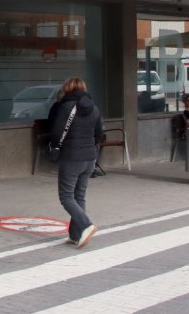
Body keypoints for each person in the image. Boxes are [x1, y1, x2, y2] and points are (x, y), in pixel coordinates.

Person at [46, 77, 105, 248]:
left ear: (67, 89)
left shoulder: (66, 107)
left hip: (71, 157)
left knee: (66, 196)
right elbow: (99, 134)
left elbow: (57, 133)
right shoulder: (94, 108)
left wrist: (54, 147)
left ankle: (86, 225)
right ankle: (75, 234)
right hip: (90, 158)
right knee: (79, 196)